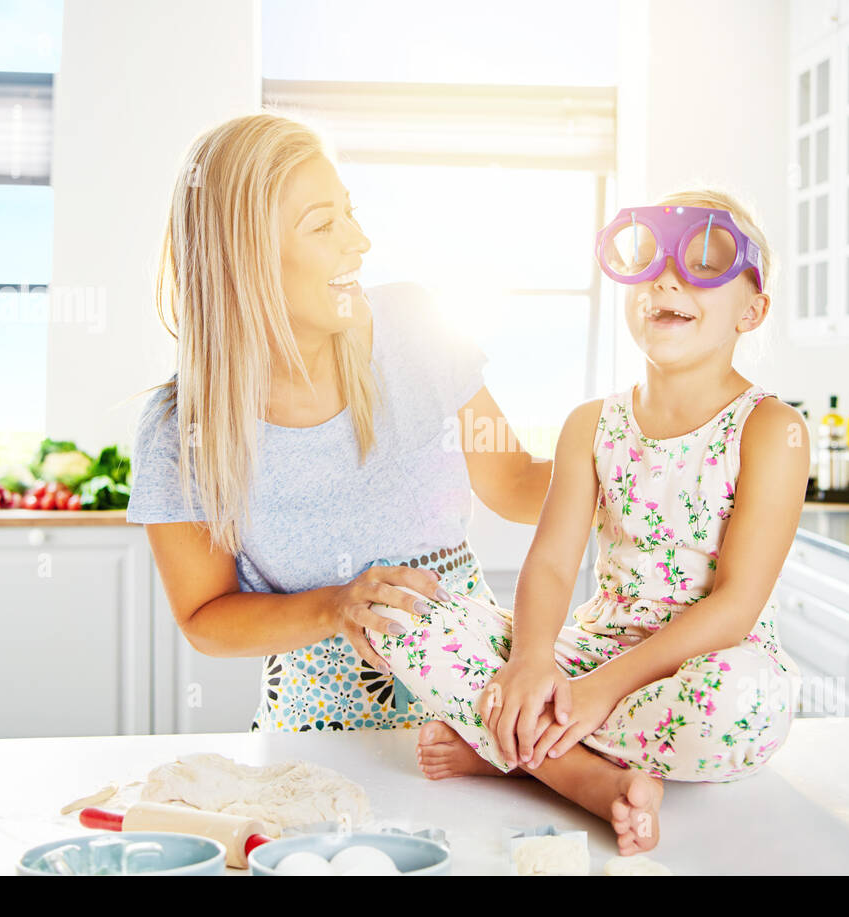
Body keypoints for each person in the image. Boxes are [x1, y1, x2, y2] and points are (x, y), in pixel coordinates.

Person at [365, 187, 809, 855]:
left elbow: (736, 604)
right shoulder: (591, 424)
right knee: (393, 614)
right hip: (587, 654)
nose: (667, 276)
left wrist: (599, 693)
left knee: (744, 705)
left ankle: (505, 745)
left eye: (703, 262)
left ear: (753, 309)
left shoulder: (774, 430)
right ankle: (580, 775)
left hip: (703, 665)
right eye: (649, 257)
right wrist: (532, 659)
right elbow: (549, 562)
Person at [126, 112, 551, 733]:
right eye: (324, 225)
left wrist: (635, 459)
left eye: (349, 213)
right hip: (315, 734)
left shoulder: (414, 325)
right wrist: (335, 607)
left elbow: (513, 483)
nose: (359, 242)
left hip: (482, 714)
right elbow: (204, 616)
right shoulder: (179, 429)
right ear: (247, 260)